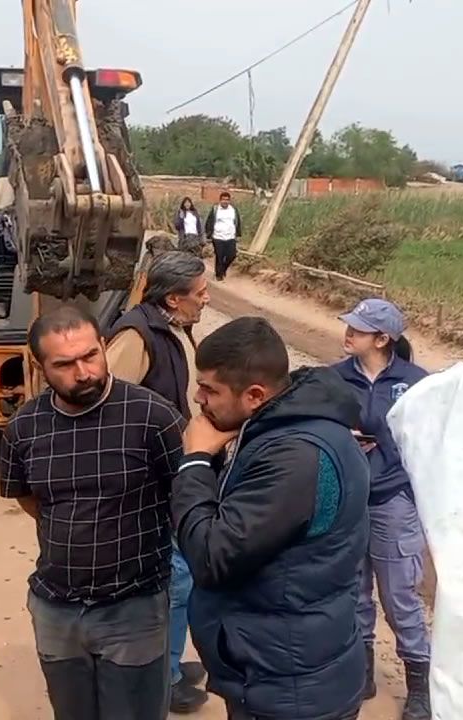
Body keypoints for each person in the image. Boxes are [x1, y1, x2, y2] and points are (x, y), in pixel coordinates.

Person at [172, 316, 370, 720]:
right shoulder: (292, 428)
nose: (198, 399)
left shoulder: (293, 458)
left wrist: (195, 462)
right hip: (286, 667)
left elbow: (212, 558)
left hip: (288, 690)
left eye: (210, 389)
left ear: (256, 395)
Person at [0, 304, 184, 720]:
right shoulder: (24, 429)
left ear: (104, 346)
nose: (83, 373)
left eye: (91, 356)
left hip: (133, 608)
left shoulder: (152, 416)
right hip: (56, 609)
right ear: (40, 365)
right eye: (65, 364)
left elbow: (185, 494)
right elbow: (29, 499)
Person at [106, 251, 211, 714]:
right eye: (201, 293)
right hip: (152, 479)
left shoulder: (171, 327)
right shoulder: (135, 335)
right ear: (174, 297)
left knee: (182, 575)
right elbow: (108, 406)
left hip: (177, 469)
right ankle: (162, 678)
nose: (207, 299)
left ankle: (168, 662)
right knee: (176, 577)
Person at [333, 299, 431, 720]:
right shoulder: (334, 379)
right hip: (350, 498)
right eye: (349, 325)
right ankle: (363, 672)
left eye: (358, 328)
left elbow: (432, 443)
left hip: (393, 500)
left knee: (400, 597)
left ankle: (420, 684)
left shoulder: (417, 383)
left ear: (382, 338)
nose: (348, 332)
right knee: (354, 591)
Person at [204, 191, 242, 282]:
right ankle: (218, 275)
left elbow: (237, 222)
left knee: (232, 255)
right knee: (219, 256)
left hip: (230, 236)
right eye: (223, 200)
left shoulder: (233, 210)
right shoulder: (215, 210)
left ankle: (223, 269)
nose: (225, 201)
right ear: (220, 200)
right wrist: (208, 234)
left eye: (227, 200)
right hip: (218, 236)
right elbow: (209, 222)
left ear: (229, 201)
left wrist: (238, 234)